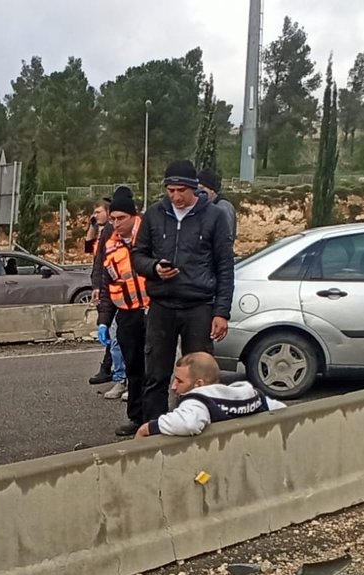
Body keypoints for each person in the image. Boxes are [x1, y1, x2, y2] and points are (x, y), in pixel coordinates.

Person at [132, 159, 235, 428]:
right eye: (171, 190)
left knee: (199, 374)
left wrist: (221, 311)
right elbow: (138, 256)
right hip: (162, 305)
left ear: (194, 189)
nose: (176, 196)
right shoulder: (154, 215)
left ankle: (195, 422)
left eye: (181, 191)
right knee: (156, 372)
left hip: (198, 305)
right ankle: (154, 428)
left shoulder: (215, 217)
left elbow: (225, 266)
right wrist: (154, 268)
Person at [97, 186, 150, 435]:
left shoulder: (151, 235)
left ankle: (155, 417)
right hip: (127, 314)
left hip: (153, 311)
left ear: (133, 216)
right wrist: (104, 321)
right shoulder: (110, 247)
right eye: (114, 218)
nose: (116, 223)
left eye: (121, 218)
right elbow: (108, 287)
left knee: (155, 369)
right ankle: (136, 418)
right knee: (134, 369)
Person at [134, 352, 284, 438]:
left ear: (199, 384)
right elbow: (282, 409)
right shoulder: (251, 395)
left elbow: (189, 423)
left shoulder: (198, 400)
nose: (173, 387)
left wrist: (148, 427)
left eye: (179, 381)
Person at [85, 199, 121, 386]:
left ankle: (110, 369)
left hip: (111, 287)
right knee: (110, 330)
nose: (95, 215)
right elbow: (87, 245)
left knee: (114, 331)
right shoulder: (102, 232)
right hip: (101, 283)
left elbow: (104, 262)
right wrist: (93, 224)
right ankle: (108, 367)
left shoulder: (111, 231)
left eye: (99, 211)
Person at [198, 168, 237, 244]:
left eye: (201, 188)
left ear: (212, 190)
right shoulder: (205, 206)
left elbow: (226, 236)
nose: (198, 192)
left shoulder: (223, 207)